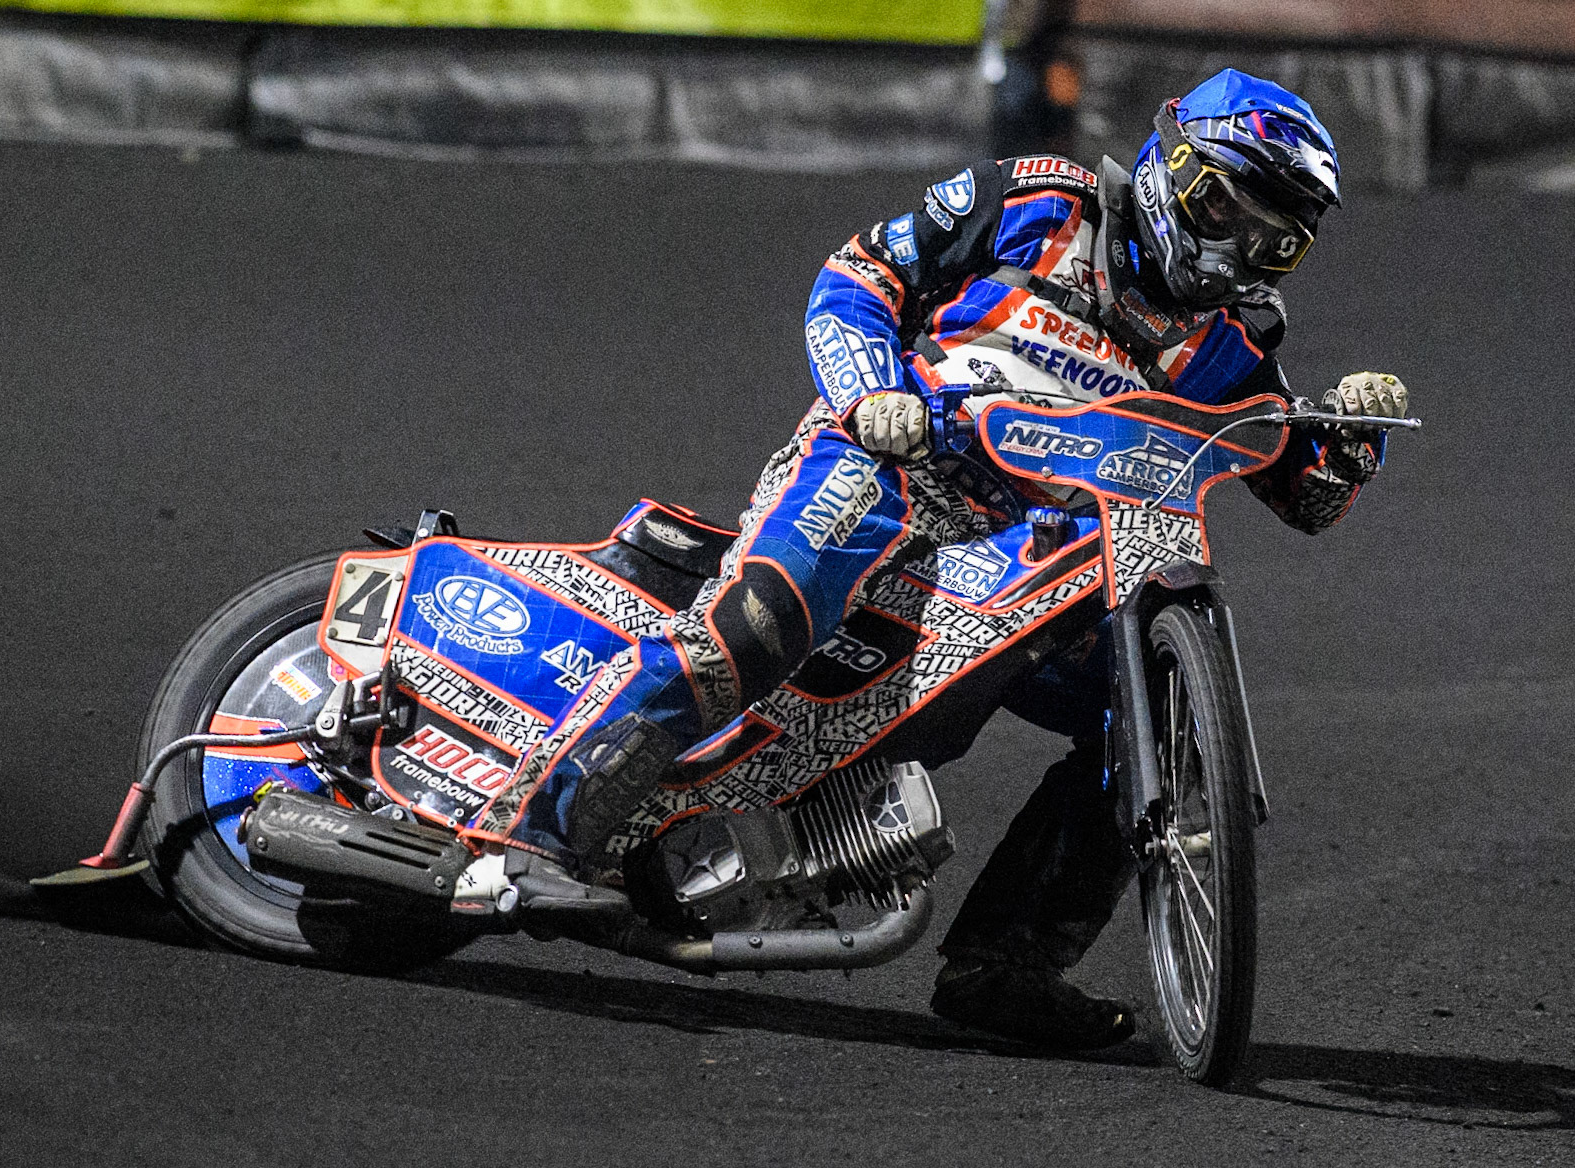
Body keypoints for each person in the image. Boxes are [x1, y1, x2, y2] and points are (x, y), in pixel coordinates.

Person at [480, 70, 1408, 1050]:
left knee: (1143, 721)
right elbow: (857, 276)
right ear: (1170, 168)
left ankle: (1003, 965)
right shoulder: (1040, 201)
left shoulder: (1231, 348)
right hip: (885, 467)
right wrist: (870, 394)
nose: (1235, 251)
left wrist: (1352, 438)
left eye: (1272, 241)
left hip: (1026, 548)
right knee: (753, 623)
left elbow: (1305, 495)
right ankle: (531, 835)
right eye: (1226, 211)